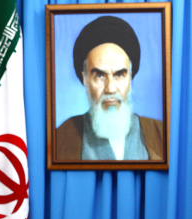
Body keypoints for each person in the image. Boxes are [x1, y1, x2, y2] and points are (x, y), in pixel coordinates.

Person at [56, 16, 163, 161]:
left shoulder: (161, 134)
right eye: (100, 76)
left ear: (130, 78)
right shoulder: (61, 138)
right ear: (85, 79)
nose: (111, 89)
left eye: (119, 75)